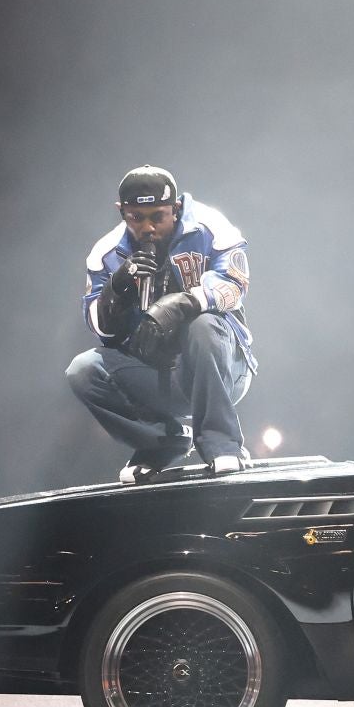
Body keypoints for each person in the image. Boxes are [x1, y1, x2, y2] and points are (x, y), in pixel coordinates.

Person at [66, 166, 256, 482]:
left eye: (158, 216)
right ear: (121, 212)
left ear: (176, 208)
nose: (148, 227)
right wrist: (117, 286)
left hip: (224, 367)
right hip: (158, 372)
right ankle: (162, 442)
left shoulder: (211, 227)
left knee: (203, 326)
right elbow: (100, 328)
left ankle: (223, 444)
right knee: (82, 370)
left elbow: (236, 284)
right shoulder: (106, 254)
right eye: (136, 217)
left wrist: (183, 304)